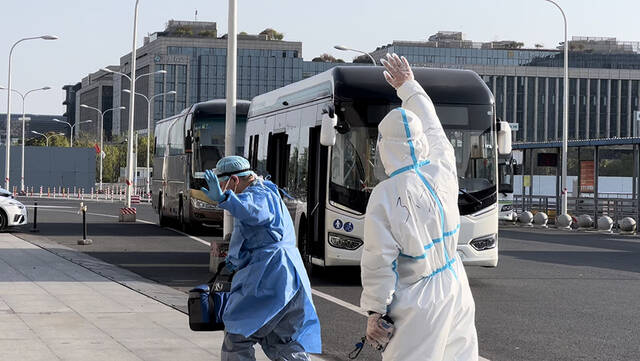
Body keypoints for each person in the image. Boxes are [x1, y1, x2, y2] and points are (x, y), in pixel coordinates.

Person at [360, 54, 479, 360]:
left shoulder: (385, 195)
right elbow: (433, 126)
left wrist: (375, 310)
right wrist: (409, 87)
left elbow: (379, 260)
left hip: (418, 299)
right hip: (456, 282)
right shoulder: (442, 166)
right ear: (420, 142)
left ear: (384, 148)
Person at [200, 155, 322, 361]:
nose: (223, 191)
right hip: (290, 280)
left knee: (237, 338)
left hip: (269, 279)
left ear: (235, 180)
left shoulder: (258, 195)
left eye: (223, 186)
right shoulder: (268, 191)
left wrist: (224, 200)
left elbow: (253, 212)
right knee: (282, 342)